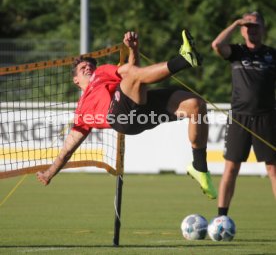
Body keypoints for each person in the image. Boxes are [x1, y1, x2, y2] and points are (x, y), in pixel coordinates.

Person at [37, 30, 217, 199]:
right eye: (83, 67)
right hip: (120, 119)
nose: (88, 68)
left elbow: (133, 71)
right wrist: (49, 173)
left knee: (196, 106)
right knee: (131, 75)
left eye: (90, 65)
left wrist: (133, 49)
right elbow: (67, 150)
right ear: (75, 80)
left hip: (141, 114)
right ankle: (183, 60)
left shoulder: (101, 72)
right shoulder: (81, 114)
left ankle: (200, 168)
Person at [212, 11, 276, 216]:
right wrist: (235, 22)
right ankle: (222, 217)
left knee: (273, 170)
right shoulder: (237, 52)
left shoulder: (272, 54)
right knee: (231, 168)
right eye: (247, 26)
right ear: (241, 30)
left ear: (263, 29)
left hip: (266, 118)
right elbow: (216, 45)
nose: (252, 30)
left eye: (256, 26)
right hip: (239, 118)